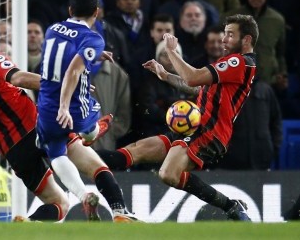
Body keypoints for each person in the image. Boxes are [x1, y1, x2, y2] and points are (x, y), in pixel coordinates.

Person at [0, 14, 138, 222]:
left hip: (14, 151)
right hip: (38, 126)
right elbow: (20, 78)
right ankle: (119, 211)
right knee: (95, 165)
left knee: (59, 204)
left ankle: (28, 223)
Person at [97, 14, 259, 221]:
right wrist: (166, 76)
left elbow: (193, 78)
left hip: (210, 132)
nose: (224, 39)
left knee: (168, 174)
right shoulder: (234, 63)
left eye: (229, 35)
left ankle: (230, 206)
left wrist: (171, 51)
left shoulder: (240, 62)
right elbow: (199, 86)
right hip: (193, 127)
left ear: (246, 40)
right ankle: (83, 157)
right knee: (135, 151)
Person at [37, 0, 138, 222]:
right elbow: (73, 69)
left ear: (70, 10)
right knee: (97, 112)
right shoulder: (93, 38)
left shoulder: (52, 29)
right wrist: (65, 106)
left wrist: (95, 54)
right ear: (97, 12)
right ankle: (92, 132)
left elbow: (64, 55)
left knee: (56, 152)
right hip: (73, 107)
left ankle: (83, 195)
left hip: (45, 108)